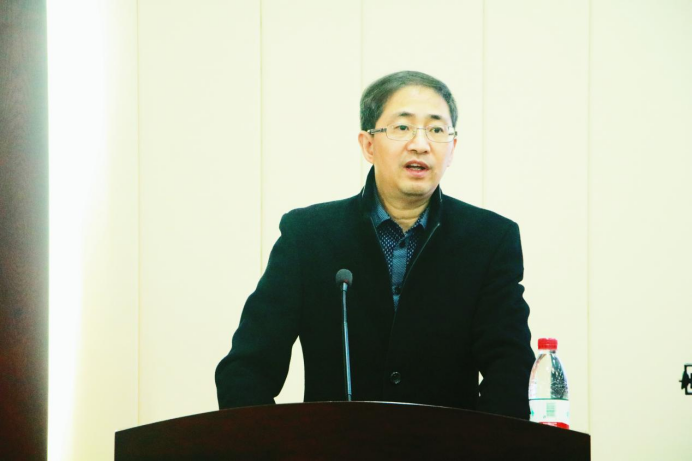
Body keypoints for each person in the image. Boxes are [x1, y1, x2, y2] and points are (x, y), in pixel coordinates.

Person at [215, 70, 535, 419]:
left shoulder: (489, 240)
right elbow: (246, 369)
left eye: (436, 130)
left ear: (452, 149)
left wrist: (481, 446)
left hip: (449, 445)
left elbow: (511, 371)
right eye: (403, 127)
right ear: (368, 145)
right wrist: (276, 444)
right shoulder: (309, 235)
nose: (420, 144)